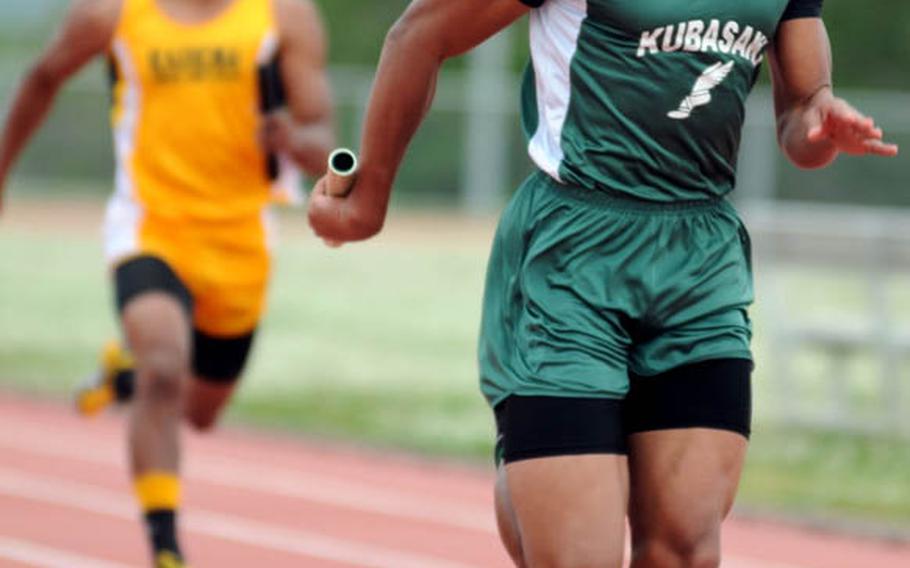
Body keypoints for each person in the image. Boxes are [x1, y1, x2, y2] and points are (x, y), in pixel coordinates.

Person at [306, 0, 897, 566]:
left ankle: (541, 453)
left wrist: (820, 122)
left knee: (686, 550)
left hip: (700, 260)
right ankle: (530, 458)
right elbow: (420, 33)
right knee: (578, 557)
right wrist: (369, 199)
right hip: (572, 248)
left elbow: (800, 114)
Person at [0, 0, 333, 565]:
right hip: (150, 227)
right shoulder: (112, 14)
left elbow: (322, 140)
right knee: (163, 367)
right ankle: (166, 548)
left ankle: (123, 376)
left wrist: (292, 141)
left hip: (240, 239)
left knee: (201, 412)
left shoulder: (285, 16)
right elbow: (42, 77)